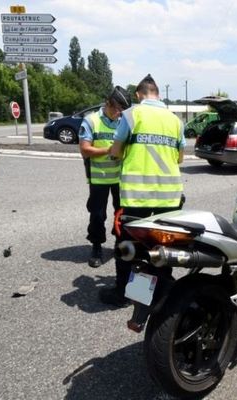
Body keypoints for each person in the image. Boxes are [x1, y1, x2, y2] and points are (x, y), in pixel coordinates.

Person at [101, 74, 185, 307]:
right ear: (157, 93)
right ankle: (158, 293)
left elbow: (116, 152)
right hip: (169, 197)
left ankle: (125, 295)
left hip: (137, 195)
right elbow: (179, 158)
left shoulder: (131, 114)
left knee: (129, 246)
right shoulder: (175, 120)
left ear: (139, 94)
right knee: (163, 245)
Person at [79, 86, 131, 268]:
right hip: (99, 177)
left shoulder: (123, 120)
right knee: (97, 214)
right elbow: (85, 149)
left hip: (120, 178)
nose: (119, 114)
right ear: (108, 103)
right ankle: (96, 246)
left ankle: (119, 242)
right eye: (117, 109)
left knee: (121, 213)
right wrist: (108, 150)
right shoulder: (91, 120)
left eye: (123, 111)